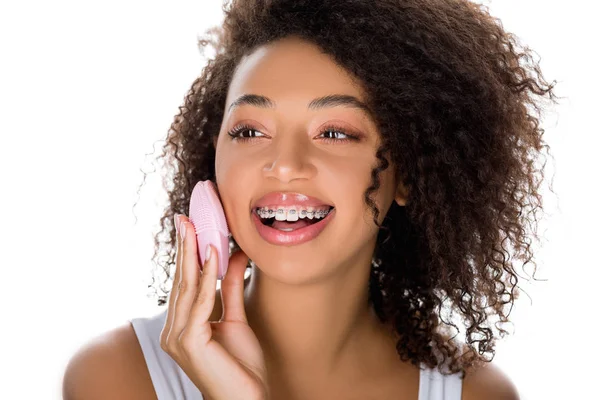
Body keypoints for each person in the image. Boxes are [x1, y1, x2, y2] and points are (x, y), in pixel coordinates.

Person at [63, 0, 556, 398]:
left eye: (336, 132)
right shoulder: (116, 378)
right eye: (251, 130)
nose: (285, 164)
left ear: (407, 174)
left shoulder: (476, 394)